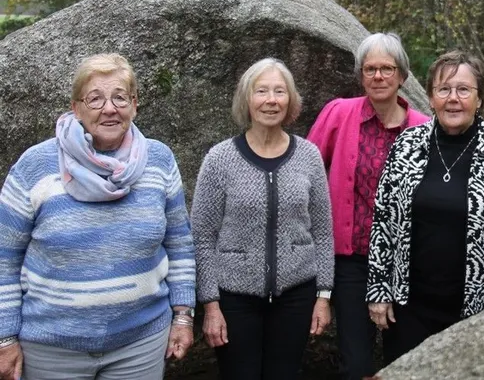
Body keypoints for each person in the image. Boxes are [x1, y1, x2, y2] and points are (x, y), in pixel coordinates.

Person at [0, 53, 196, 380]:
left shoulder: (159, 161)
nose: (109, 108)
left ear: (134, 104)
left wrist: (184, 317)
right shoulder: (35, 166)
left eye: (120, 97)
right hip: (51, 350)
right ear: (76, 108)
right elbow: (4, 257)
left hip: (141, 344)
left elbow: (180, 245)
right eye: (95, 99)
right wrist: (5, 337)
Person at [366, 50, 484, 364]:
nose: (453, 98)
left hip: (478, 312)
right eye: (444, 89)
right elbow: (384, 222)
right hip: (409, 308)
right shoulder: (406, 146)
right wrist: (378, 291)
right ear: (430, 98)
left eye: (463, 90)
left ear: (479, 99)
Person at [191, 58, 334, 380]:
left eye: (279, 91)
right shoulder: (220, 159)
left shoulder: (308, 155)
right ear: (247, 99)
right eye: (262, 91)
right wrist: (211, 305)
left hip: (296, 295)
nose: (271, 100)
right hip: (235, 299)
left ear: (290, 100)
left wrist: (323, 296)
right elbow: (202, 236)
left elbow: (324, 231)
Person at [307, 33, 429, 379]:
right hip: (352, 263)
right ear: (361, 76)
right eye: (370, 69)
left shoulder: (423, 128)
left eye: (387, 69)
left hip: (405, 264)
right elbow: (307, 172)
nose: (378, 77)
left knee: (403, 357)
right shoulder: (339, 114)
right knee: (356, 362)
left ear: (402, 76)